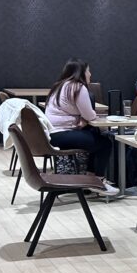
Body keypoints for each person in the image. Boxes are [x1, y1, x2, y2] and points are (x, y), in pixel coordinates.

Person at [45, 59, 119, 194]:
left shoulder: (59, 85)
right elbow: (90, 115)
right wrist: (84, 118)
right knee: (104, 144)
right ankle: (98, 181)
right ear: (81, 72)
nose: (90, 74)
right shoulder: (77, 87)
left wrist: (82, 119)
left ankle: (90, 180)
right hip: (62, 133)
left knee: (95, 138)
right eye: (88, 71)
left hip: (51, 133)